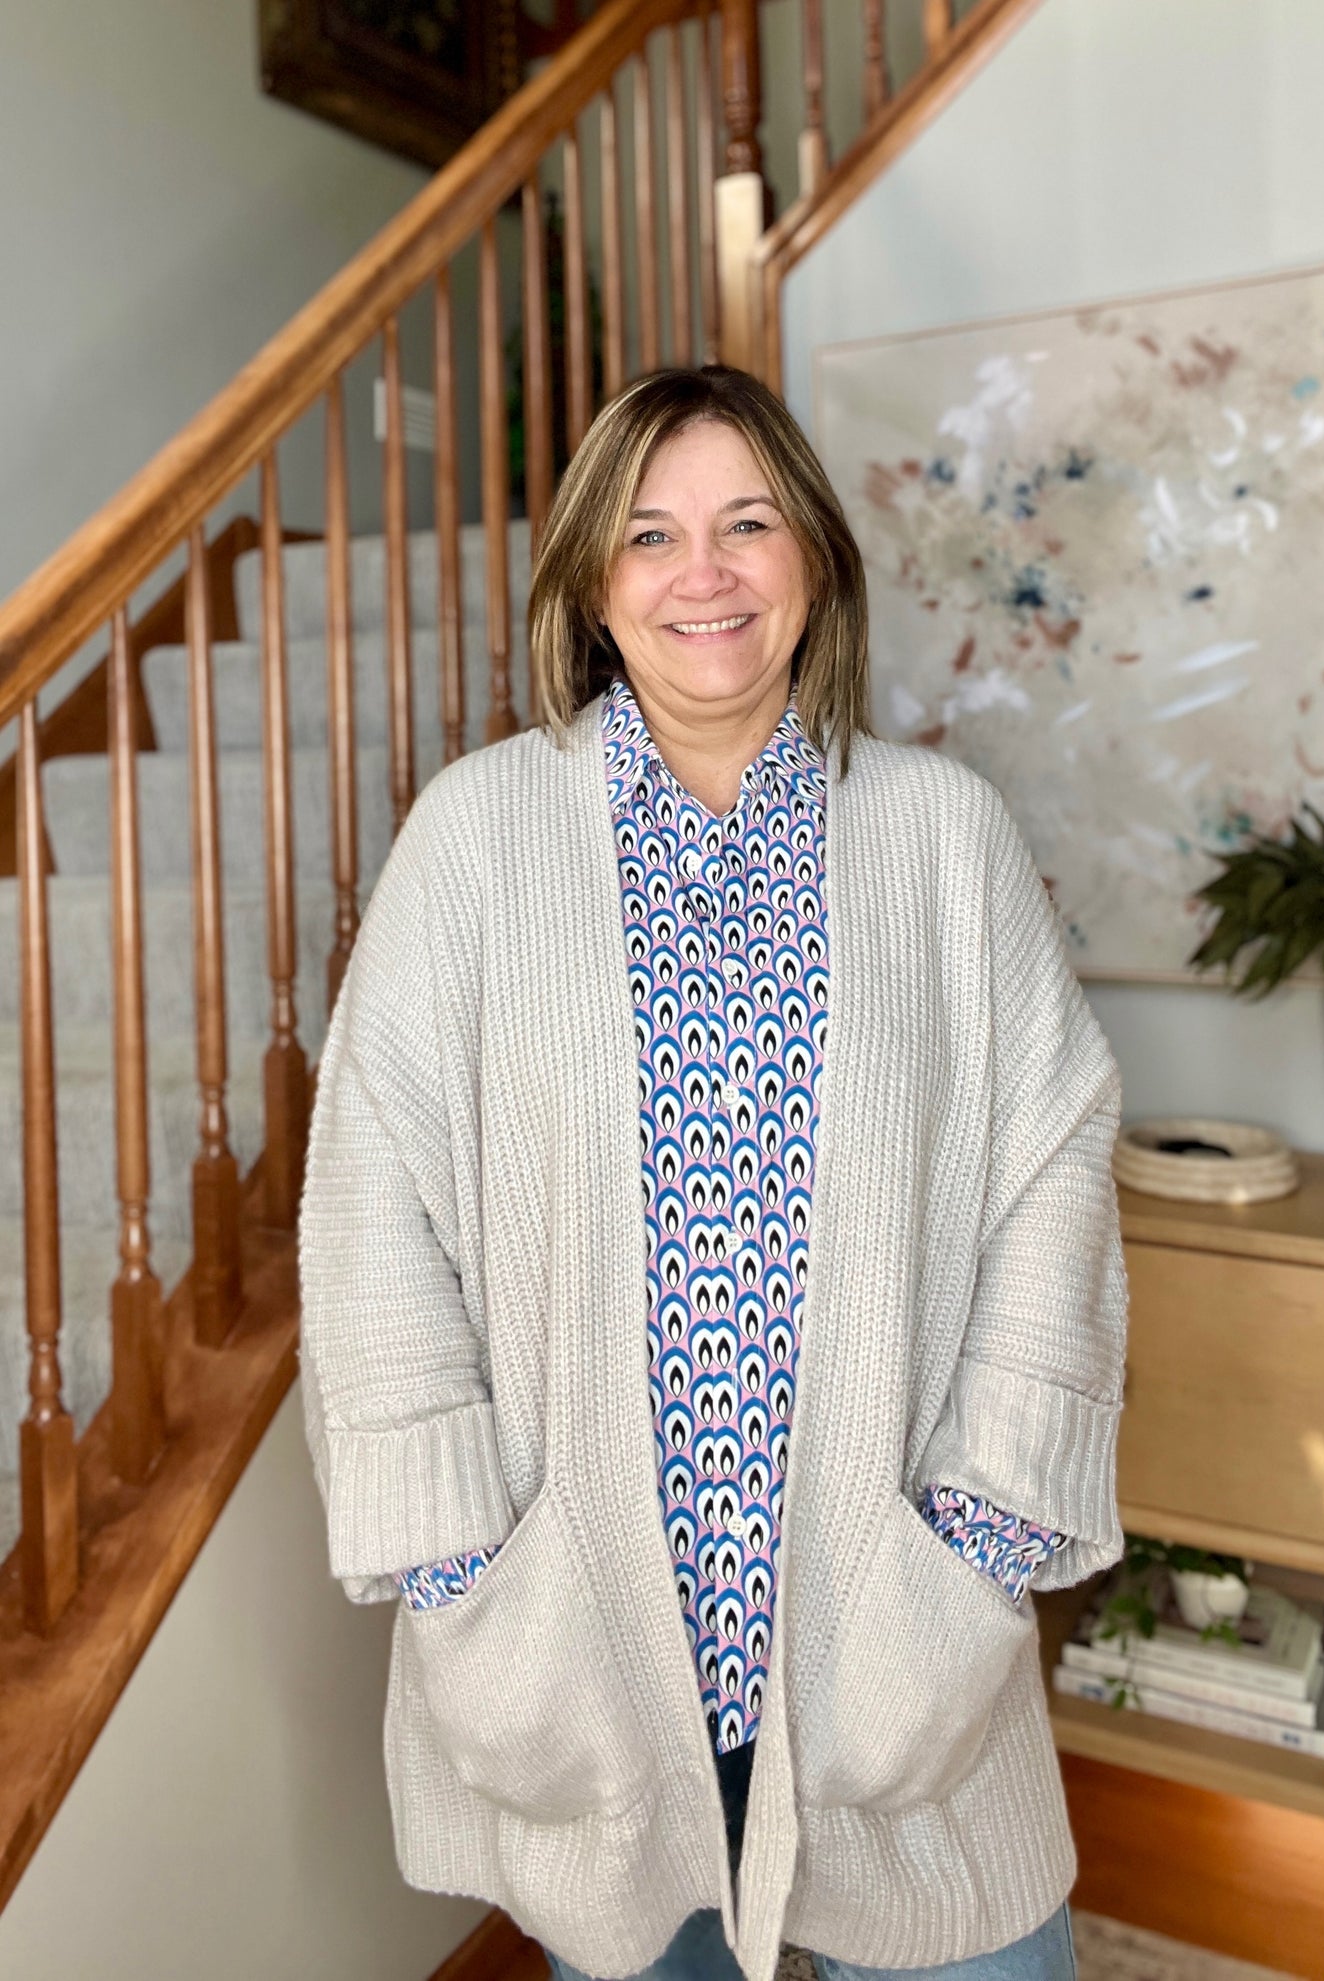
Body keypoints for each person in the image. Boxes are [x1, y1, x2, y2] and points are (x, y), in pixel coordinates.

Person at [298, 365, 1127, 1981]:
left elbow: (1057, 1158)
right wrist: (470, 1577)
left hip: (905, 1650)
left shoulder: (943, 837)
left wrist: (983, 1529)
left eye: (747, 523)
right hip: (587, 1665)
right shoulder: (471, 842)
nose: (705, 573)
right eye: (651, 533)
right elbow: (369, 1204)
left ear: (811, 555)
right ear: (592, 587)